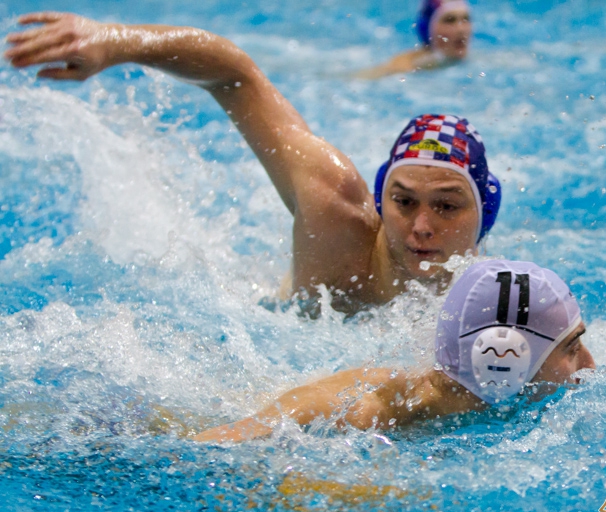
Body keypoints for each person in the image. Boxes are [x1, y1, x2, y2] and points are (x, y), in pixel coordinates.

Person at [4, 13, 500, 315]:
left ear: (485, 215)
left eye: (447, 207)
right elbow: (235, 77)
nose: (420, 226)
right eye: (404, 200)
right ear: (379, 198)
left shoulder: (496, 302)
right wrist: (118, 41)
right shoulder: (336, 210)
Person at [192, 259, 595, 443]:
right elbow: (205, 449)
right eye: (572, 347)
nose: (590, 364)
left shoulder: (461, 404)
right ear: (502, 357)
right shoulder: (357, 413)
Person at [356, 0, 472, 79]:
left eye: (466, 19)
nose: (461, 29)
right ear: (428, 28)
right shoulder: (406, 65)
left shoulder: (476, 59)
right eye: (450, 20)